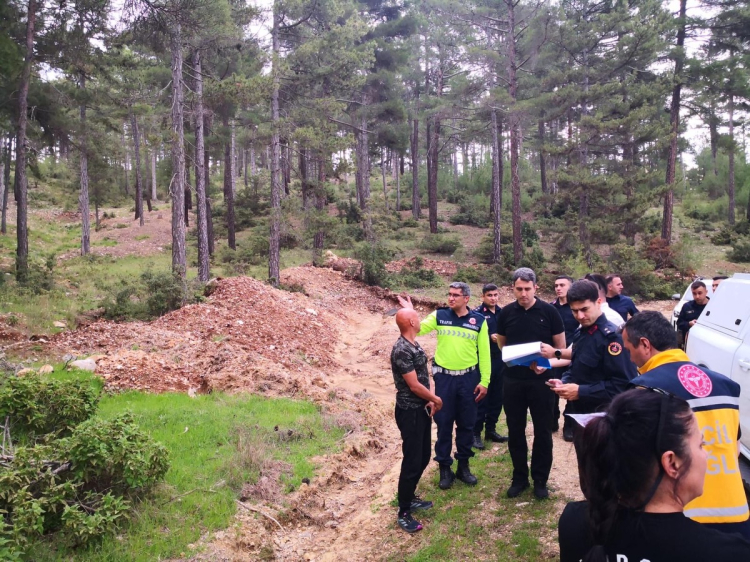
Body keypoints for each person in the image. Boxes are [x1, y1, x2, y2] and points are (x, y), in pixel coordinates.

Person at [558, 389, 750, 562]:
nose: (706, 454)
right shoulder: (727, 553)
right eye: (701, 445)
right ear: (672, 463)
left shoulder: (575, 521)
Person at [622, 311, 750, 538]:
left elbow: (637, 462)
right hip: (736, 517)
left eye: (629, 350)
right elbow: (735, 448)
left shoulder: (644, 389)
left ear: (645, 345)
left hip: (680, 520)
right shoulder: (726, 386)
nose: (630, 359)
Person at [398, 282, 490, 490]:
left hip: (469, 379)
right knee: (444, 423)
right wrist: (411, 312)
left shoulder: (479, 321)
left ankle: (463, 466)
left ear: (466, 298)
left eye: (456, 295)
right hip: (445, 379)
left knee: (467, 424)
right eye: (449, 294)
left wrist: (484, 381)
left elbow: (484, 354)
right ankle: (444, 468)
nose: (451, 298)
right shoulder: (440, 315)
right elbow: (417, 329)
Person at [543, 280, 637, 462]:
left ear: (598, 302)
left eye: (584, 309)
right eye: (574, 311)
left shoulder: (612, 339)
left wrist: (580, 391)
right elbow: (577, 367)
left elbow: (624, 386)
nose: (579, 316)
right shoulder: (582, 333)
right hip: (581, 418)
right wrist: (564, 381)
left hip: (606, 421)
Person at [497, 268, 565, 499]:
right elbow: (502, 345)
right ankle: (519, 478)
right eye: (519, 289)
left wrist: (547, 363)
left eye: (527, 289)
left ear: (536, 287)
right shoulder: (506, 313)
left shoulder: (550, 312)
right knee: (515, 430)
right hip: (513, 380)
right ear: (513, 288)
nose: (523, 293)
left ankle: (540, 480)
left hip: (541, 381)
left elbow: (560, 349)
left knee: (543, 431)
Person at [390, 308, 444, 533]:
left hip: (421, 408)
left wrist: (429, 399)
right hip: (409, 411)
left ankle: (409, 496)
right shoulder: (401, 349)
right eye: (417, 317)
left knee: (423, 456)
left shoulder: (413, 343)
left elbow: (423, 376)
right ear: (412, 322)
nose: (421, 320)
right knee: (412, 460)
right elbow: (413, 385)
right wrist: (435, 398)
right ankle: (403, 511)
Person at [472, 283, 508, 449]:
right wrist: (488, 337)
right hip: (484, 361)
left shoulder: (503, 313)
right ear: (483, 296)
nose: (493, 298)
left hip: (501, 360)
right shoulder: (477, 315)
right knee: (482, 397)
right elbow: (472, 337)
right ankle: (475, 433)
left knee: (497, 397)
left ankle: (491, 430)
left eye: (495, 295)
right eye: (489, 295)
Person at [550, 275, 578, 437]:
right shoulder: (550, 308)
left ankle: (569, 426)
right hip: (555, 355)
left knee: (571, 391)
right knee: (552, 388)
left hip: (574, 355)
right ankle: (552, 420)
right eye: (556, 285)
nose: (558, 288)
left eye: (562, 285)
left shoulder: (576, 308)